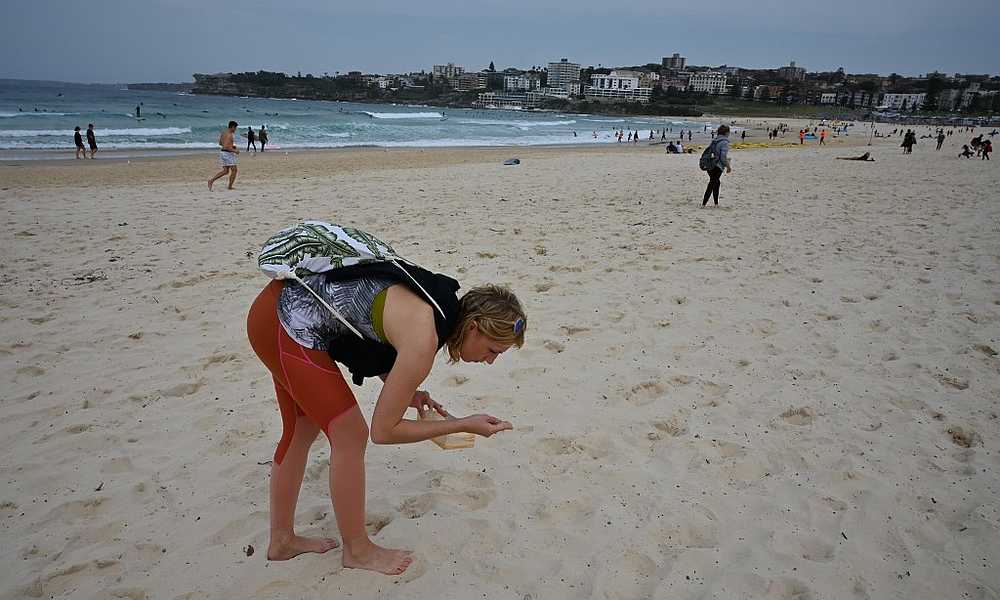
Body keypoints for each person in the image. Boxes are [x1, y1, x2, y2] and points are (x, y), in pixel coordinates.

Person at [246, 237, 525, 575]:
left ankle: (282, 541)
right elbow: (384, 432)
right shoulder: (425, 336)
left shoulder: (434, 303)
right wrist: (462, 424)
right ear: (474, 327)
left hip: (276, 311)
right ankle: (358, 550)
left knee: (302, 428)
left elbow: (364, 324)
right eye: (493, 350)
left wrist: (408, 393)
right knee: (351, 433)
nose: (491, 361)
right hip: (288, 321)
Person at [702, 124, 732, 207]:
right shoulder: (724, 142)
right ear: (726, 133)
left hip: (709, 164)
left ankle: (716, 203)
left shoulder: (714, 140)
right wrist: (728, 166)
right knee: (712, 183)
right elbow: (723, 157)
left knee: (716, 182)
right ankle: (704, 203)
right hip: (717, 166)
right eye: (729, 132)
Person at [208, 120, 240, 190]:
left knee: (226, 171)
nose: (235, 130)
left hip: (222, 153)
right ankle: (230, 186)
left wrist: (231, 146)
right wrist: (235, 151)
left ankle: (211, 181)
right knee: (234, 170)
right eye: (235, 128)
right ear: (232, 127)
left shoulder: (223, 133)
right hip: (227, 154)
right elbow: (226, 147)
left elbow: (221, 143)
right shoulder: (230, 135)